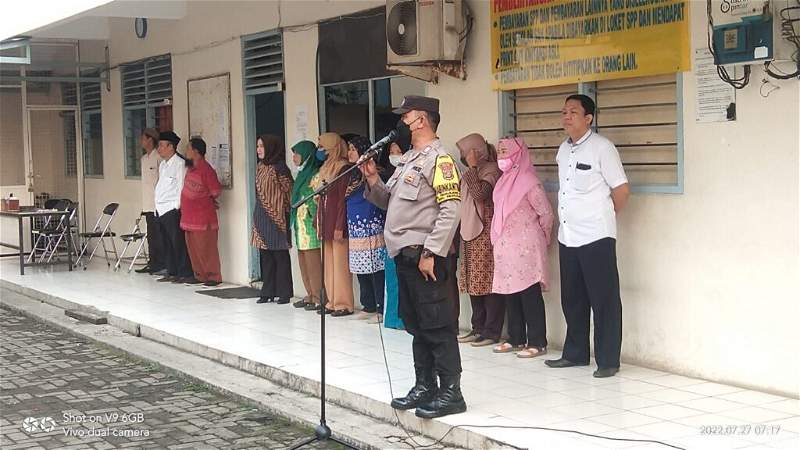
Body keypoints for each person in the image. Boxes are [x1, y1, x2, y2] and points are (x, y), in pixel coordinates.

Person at [362, 95, 465, 419]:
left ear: (421, 120)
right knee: (417, 324)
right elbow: (389, 202)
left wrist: (432, 252)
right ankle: (425, 385)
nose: (400, 125)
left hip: (425, 256)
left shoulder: (441, 158)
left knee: (438, 325)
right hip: (404, 256)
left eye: (404, 118)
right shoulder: (409, 160)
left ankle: (451, 391)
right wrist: (372, 178)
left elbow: (451, 208)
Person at [545, 94, 630, 379]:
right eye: (564, 111)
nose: (566, 116)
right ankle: (575, 353)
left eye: (573, 112)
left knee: (603, 299)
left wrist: (602, 216)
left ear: (588, 118)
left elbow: (621, 190)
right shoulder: (563, 150)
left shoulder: (602, 148)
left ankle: (608, 360)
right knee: (573, 298)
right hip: (568, 234)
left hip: (596, 235)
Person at [490, 137, 554, 359]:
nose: (501, 158)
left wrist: (543, 239)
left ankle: (537, 341)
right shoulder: (502, 182)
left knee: (529, 293)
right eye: (499, 153)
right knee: (510, 292)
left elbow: (545, 213)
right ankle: (515, 338)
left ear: (517, 155)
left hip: (526, 246)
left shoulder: (529, 181)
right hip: (506, 247)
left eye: (505, 153)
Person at [454, 133, 504, 348]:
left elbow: (480, 194)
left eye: (467, 153)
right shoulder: (468, 173)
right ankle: (478, 328)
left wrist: (473, 169)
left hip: (485, 233)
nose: (464, 157)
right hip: (469, 233)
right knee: (473, 283)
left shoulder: (491, 169)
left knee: (487, 283)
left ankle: (492, 331)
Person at [345, 135, 388, 324]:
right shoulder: (352, 174)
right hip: (355, 227)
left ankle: (380, 307)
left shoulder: (376, 173)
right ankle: (368, 305)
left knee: (375, 269)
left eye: (353, 149)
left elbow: (381, 195)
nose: (350, 152)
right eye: (349, 149)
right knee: (361, 269)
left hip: (372, 226)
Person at [315, 133, 354, 316]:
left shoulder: (343, 168)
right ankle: (331, 301)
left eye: (322, 146)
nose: (320, 150)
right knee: (328, 265)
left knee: (340, 266)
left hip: (338, 224)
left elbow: (342, 201)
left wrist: (340, 226)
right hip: (325, 221)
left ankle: (343, 304)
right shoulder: (326, 167)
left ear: (332, 146)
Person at [252, 135, 295, 304]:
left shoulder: (280, 167)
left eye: (262, 146)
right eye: (257, 146)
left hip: (278, 218)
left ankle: (284, 292)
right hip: (261, 215)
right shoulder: (260, 166)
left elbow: (288, 192)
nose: (259, 149)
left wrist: (283, 213)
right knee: (265, 255)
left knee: (280, 255)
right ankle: (267, 290)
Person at [180, 138, 223, 287]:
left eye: (188, 149)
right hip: (188, 218)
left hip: (203, 219)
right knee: (193, 249)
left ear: (196, 152)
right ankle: (199, 275)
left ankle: (213, 276)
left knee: (207, 249)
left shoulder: (206, 170)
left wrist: (205, 199)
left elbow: (216, 191)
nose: (186, 152)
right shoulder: (190, 168)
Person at [153, 131, 194, 283]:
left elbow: (182, 187)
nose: (159, 149)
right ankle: (172, 271)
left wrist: (176, 207)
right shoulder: (163, 164)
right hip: (160, 209)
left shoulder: (180, 163)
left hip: (172, 210)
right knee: (166, 243)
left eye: (162, 146)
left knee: (178, 243)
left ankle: (184, 272)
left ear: (171, 147)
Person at [289, 140, 324, 311]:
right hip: (300, 225)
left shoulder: (315, 174)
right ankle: (309, 294)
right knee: (303, 261)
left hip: (310, 225)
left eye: (297, 154)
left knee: (313, 262)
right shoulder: (301, 175)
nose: (294, 157)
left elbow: (314, 197)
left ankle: (318, 297)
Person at [379, 142, 408, 331]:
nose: (395, 155)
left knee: (406, 282)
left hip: (409, 234)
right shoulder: (391, 175)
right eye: (391, 152)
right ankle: (392, 318)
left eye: (399, 152)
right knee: (392, 279)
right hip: (391, 232)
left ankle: (405, 320)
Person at [135, 128, 164, 274]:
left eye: (143, 138)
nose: (141, 141)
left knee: (159, 236)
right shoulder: (143, 159)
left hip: (158, 204)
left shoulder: (159, 157)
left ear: (150, 140)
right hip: (147, 203)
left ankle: (161, 263)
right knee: (151, 236)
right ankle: (153, 262)